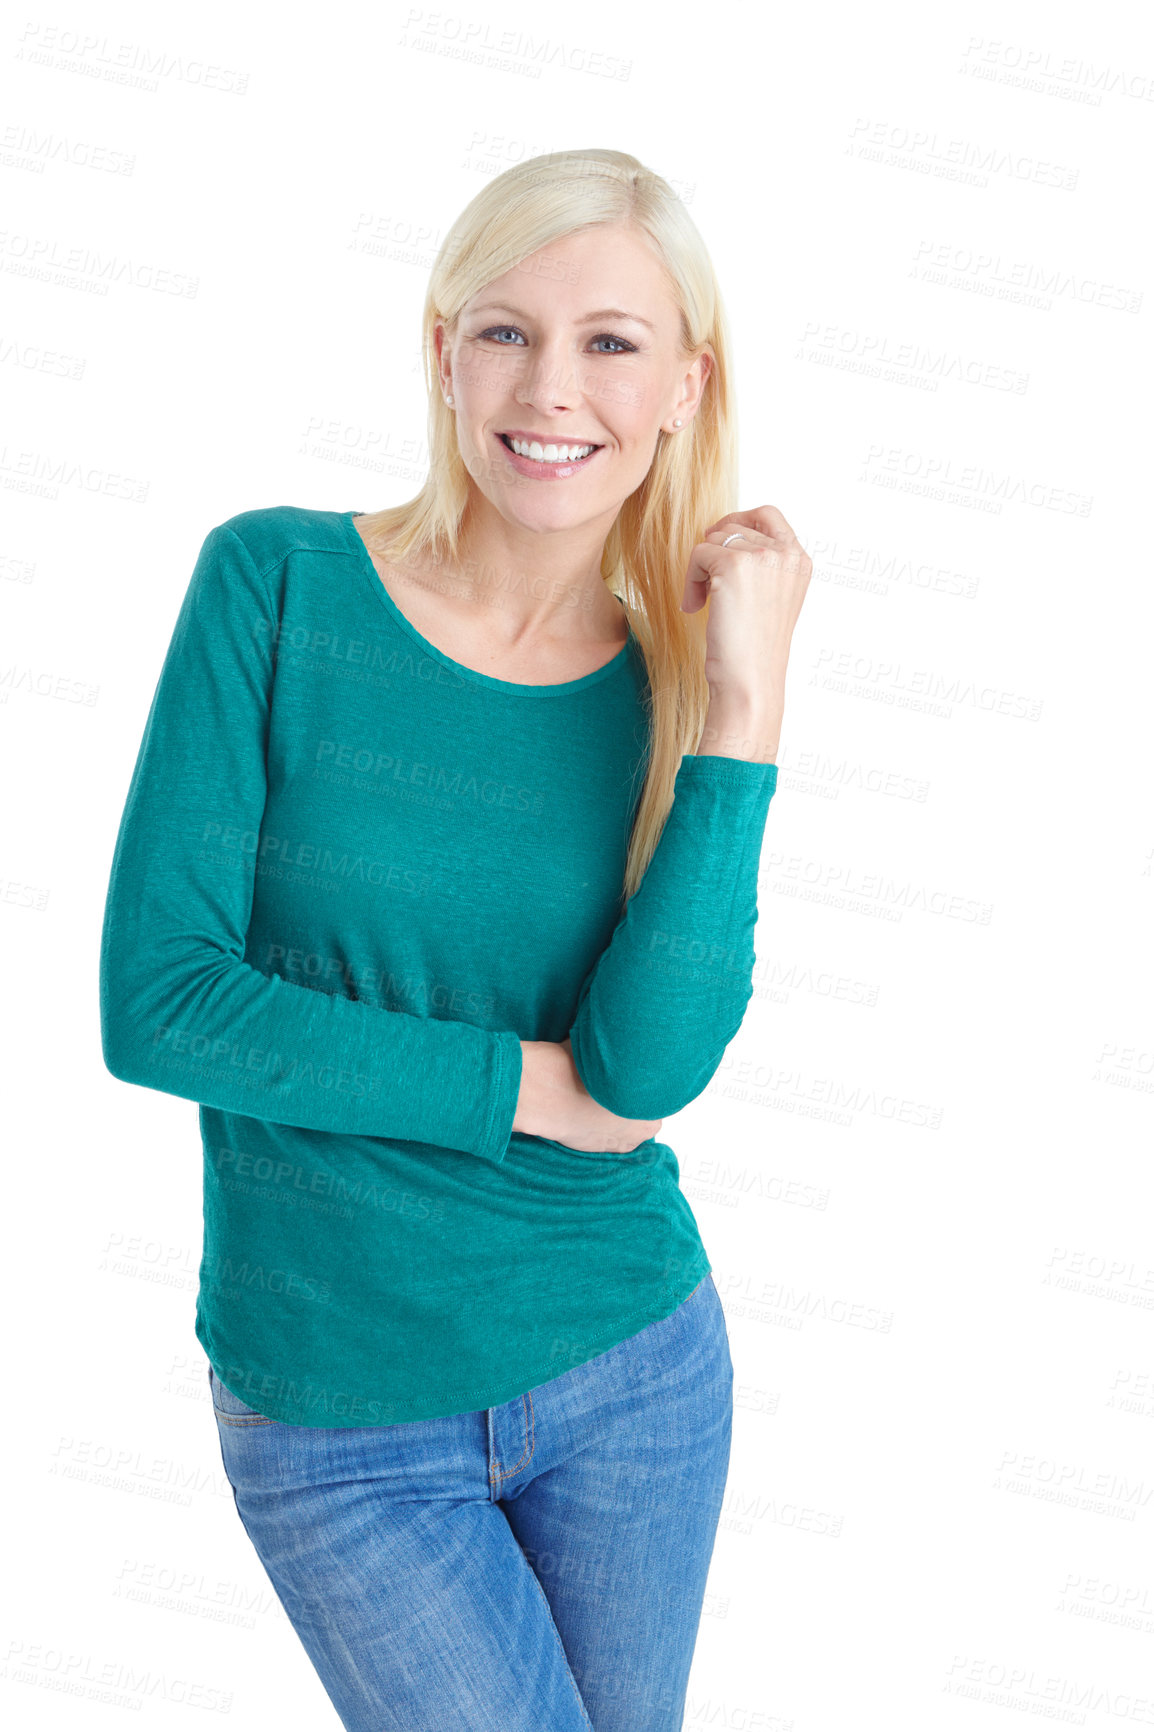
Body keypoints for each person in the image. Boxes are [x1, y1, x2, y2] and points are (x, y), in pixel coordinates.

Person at [98, 147, 811, 1731]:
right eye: (505, 331)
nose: (550, 387)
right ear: (441, 350)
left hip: (628, 1364)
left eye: (611, 342)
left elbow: (646, 1070)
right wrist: (514, 1087)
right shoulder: (276, 586)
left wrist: (744, 712)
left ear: (686, 386)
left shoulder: (684, 689)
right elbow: (161, 1003)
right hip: (334, 1412)